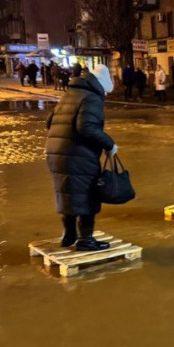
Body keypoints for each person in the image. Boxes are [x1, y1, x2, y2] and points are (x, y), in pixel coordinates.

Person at [45, 64, 118, 251]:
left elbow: (49, 122)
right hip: (78, 154)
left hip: (56, 152)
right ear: (102, 85)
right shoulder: (91, 98)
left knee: (68, 193)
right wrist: (110, 144)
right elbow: (86, 127)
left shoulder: (70, 94)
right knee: (88, 194)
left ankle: (69, 236)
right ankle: (86, 240)